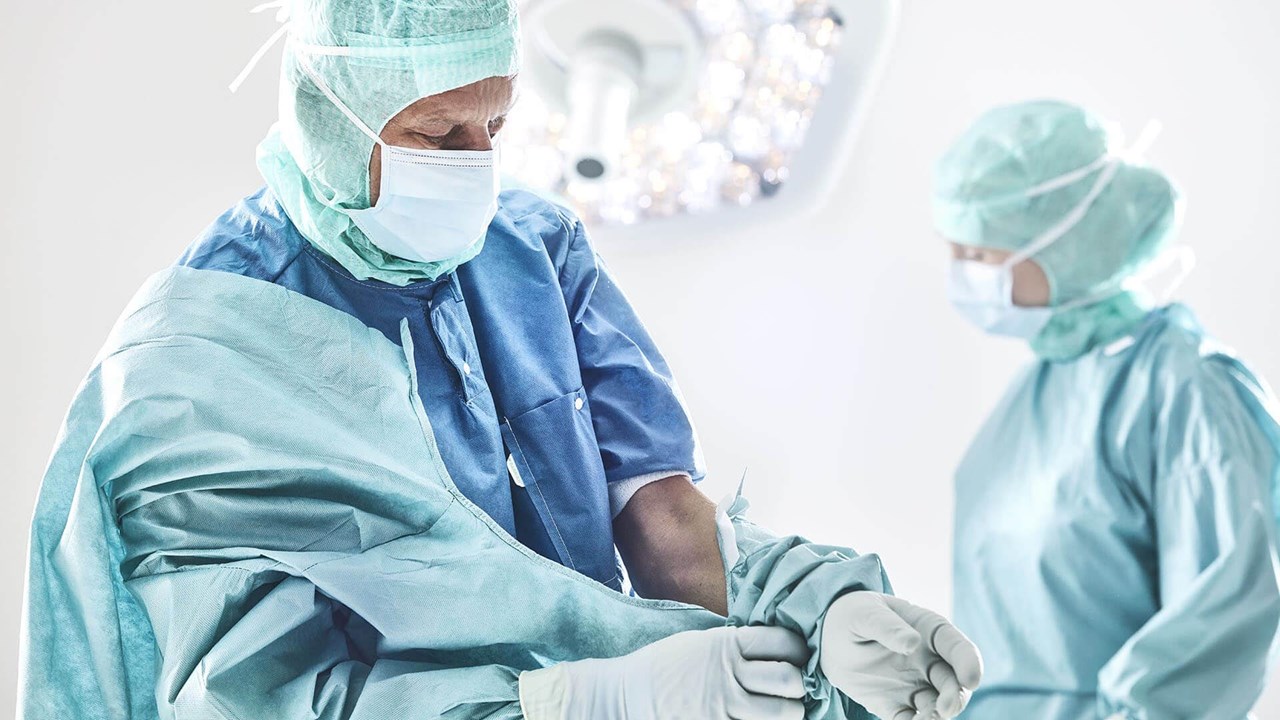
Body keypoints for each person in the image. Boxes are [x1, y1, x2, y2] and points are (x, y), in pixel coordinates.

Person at [18, 1, 982, 718]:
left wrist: (822, 614)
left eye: (499, 127)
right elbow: (254, 692)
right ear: (330, 116)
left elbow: (656, 507)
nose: (477, 164)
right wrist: (574, 703)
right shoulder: (209, 348)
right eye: (440, 135)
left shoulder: (530, 245)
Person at [935, 99, 1280, 719]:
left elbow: (1215, 625)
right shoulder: (1033, 396)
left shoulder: (1186, 386)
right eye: (954, 249)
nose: (962, 275)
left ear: (1069, 239)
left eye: (981, 255)